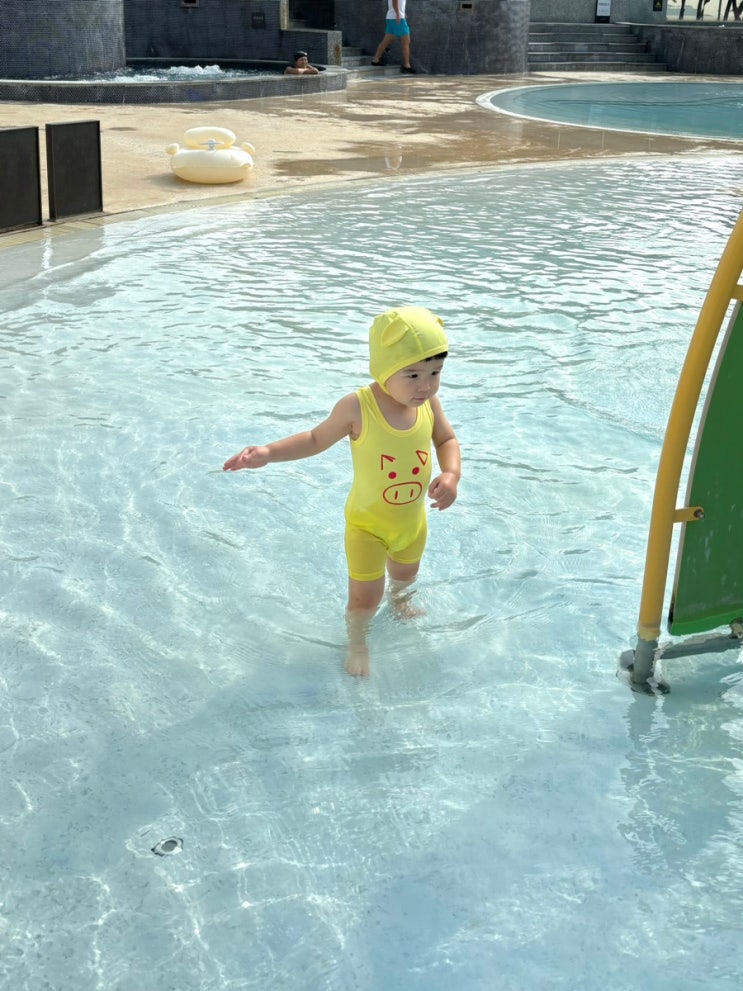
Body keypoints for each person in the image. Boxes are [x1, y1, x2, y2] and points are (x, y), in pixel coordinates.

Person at [223, 306, 460, 676]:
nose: (425, 385)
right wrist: (268, 453)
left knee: (405, 576)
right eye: (413, 374)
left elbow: (445, 439)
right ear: (383, 369)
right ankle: (358, 641)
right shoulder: (358, 407)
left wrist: (452, 474)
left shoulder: (428, 403)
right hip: (367, 526)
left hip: (412, 523)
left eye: (435, 372)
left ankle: (400, 603)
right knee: (364, 598)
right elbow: (315, 439)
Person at [372, 0, 415, 73]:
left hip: (391, 17)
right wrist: (398, 14)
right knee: (406, 41)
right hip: (397, 18)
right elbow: (394, 2)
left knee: (387, 40)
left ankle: (375, 60)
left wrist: (402, 13)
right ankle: (407, 65)